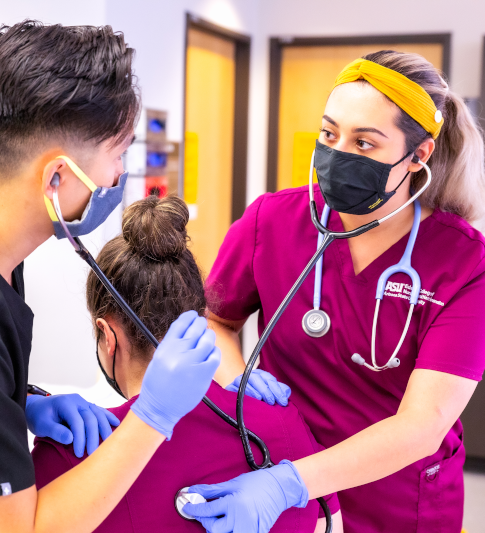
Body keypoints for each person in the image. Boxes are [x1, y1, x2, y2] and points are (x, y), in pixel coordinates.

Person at [185, 50, 485, 533]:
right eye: (329, 133)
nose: (338, 152)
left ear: (419, 155)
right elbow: (215, 320)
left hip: (397, 497)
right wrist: (238, 377)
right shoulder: (272, 221)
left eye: (364, 142)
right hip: (279, 467)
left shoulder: (465, 262)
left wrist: (290, 482)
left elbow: (423, 423)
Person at [0, 21, 222, 533]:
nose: (119, 178)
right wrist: (151, 418)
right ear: (56, 177)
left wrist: (20, 403)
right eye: (117, 156)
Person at [31, 194, 343, 533]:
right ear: (201, 318)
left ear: (106, 335)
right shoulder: (282, 421)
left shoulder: (70, 452)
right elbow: (332, 525)